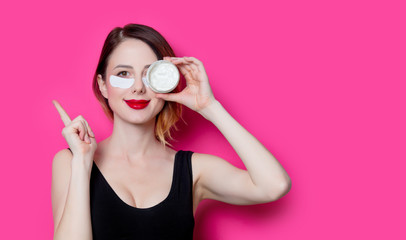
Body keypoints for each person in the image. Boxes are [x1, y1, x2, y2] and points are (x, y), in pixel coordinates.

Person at [51, 23, 291, 240]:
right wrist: (83, 162)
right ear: (103, 85)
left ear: (166, 81)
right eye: (123, 74)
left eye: (148, 75)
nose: (137, 88)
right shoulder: (71, 161)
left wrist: (210, 107)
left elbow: (274, 185)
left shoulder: (193, 170)